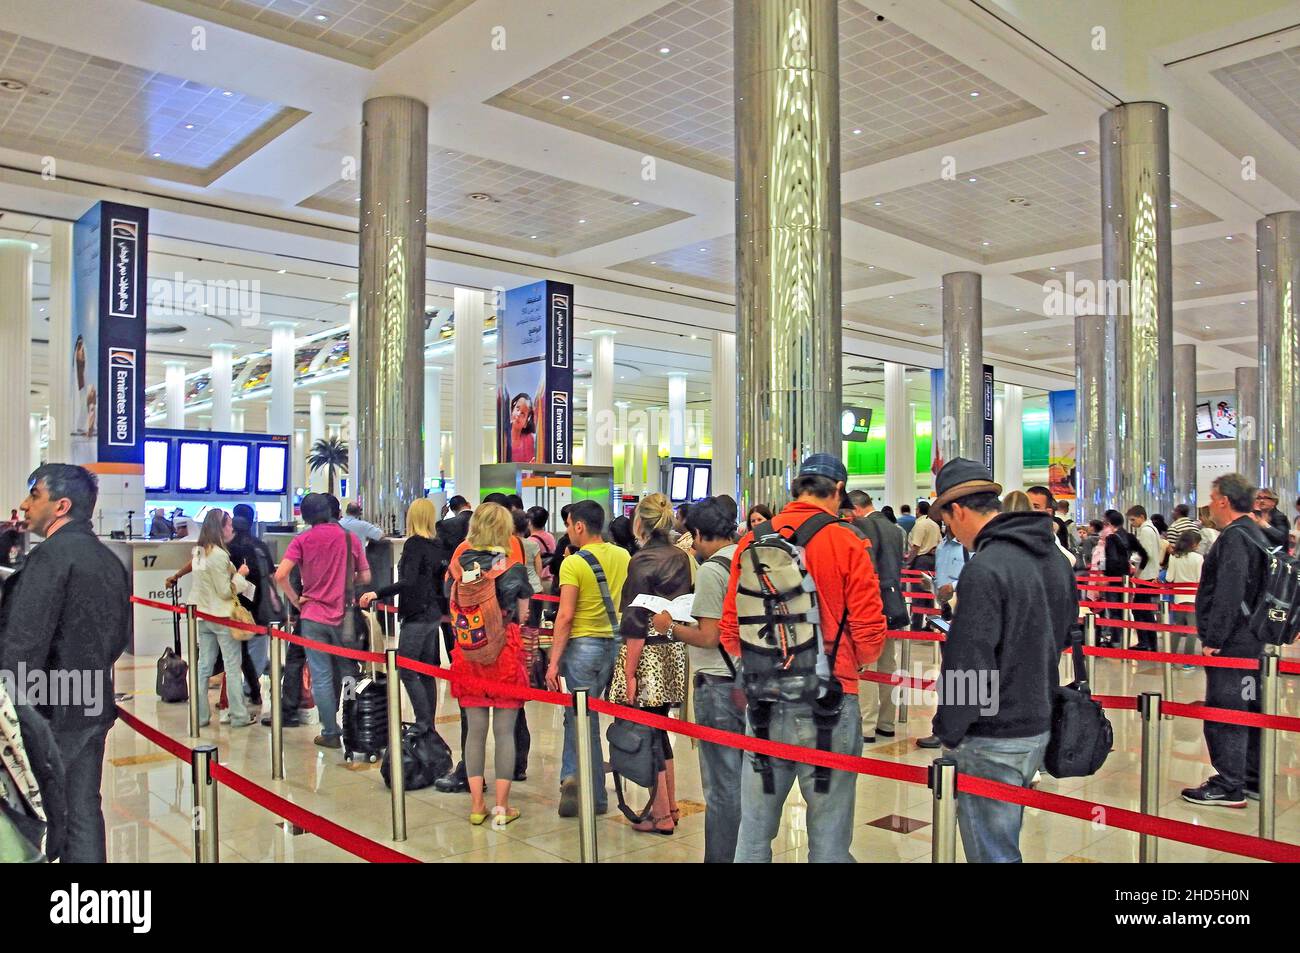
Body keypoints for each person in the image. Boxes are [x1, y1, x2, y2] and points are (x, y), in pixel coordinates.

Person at [720, 454, 886, 863]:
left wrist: (766, 658)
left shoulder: (753, 540)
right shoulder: (847, 540)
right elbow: (869, 632)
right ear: (839, 491)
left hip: (764, 699)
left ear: (795, 488)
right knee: (829, 838)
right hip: (830, 700)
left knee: (754, 833)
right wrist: (854, 662)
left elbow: (729, 630)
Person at [930, 458, 1076, 862]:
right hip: (1040, 717)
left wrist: (951, 727)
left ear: (957, 510)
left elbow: (969, 662)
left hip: (992, 733)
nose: (951, 533)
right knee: (1004, 842)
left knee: (992, 852)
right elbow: (1064, 632)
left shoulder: (986, 568)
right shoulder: (1053, 559)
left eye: (947, 521)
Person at [0, 464, 130, 863]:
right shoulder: (109, 561)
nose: (25, 504)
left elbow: (23, 643)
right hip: (92, 701)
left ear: (61, 505)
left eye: (34, 495)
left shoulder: (50, 559)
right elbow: (116, 640)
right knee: (83, 810)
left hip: (49, 711)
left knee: (39, 813)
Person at [654, 497, 741, 861]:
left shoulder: (711, 569)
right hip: (748, 679)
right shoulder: (746, 556)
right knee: (747, 780)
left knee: (722, 787)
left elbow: (709, 636)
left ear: (701, 534)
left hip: (718, 683)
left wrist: (670, 626)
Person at [1182, 473, 1270, 807]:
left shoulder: (1235, 536)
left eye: (1212, 497)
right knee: (1247, 706)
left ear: (1223, 501)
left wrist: (1214, 637)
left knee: (1227, 709)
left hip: (1233, 642)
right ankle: (1250, 777)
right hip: (1252, 639)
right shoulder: (1255, 532)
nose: (1210, 505)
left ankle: (1229, 784)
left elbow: (1229, 591)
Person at [609, 493, 692, 834]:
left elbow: (634, 619)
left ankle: (659, 815)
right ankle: (669, 805)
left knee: (646, 730)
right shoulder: (681, 557)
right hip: (674, 648)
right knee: (659, 730)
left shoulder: (642, 560)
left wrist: (628, 672)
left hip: (648, 654)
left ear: (639, 521)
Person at [447, 503, 532, 827]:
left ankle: (477, 805)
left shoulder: (458, 563)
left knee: (475, 732)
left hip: (468, 654)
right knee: (505, 732)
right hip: (504, 652)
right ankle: (502, 807)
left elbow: (450, 602)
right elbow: (523, 614)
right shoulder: (511, 566)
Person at [545, 500, 631, 817]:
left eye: (568, 525)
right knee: (591, 718)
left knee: (583, 719)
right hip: (618, 644)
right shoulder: (623, 555)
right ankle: (578, 780)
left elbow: (565, 616)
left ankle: (587, 790)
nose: (568, 531)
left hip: (585, 646)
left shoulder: (574, 564)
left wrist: (553, 662)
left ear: (579, 526)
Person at [274, 493, 370, 750]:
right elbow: (366, 576)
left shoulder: (302, 539)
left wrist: (297, 600)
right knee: (349, 673)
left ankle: (330, 731)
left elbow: (281, 574)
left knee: (322, 676)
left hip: (313, 617)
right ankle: (352, 725)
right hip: (345, 615)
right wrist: (344, 581)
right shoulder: (349, 538)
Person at [166, 509, 258, 729]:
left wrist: (178, 575)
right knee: (232, 666)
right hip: (222, 616)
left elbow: (199, 579)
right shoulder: (219, 555)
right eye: (228, 525)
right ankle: (238, 715)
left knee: (203, 667)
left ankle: (200, 715)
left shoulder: (200, 552)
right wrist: (241, 575)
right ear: (220, 528)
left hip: (203, 615)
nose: (231, 528)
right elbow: (225, 591)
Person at [358, 499, 444, 735]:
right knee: (426, 670)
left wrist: (378, 592)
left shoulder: (414, 544)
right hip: (433, 614)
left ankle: (423, 722)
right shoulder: (436, 545)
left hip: (416, 614)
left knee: (406, 668)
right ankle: (429, 724)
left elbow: (409, 581)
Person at [847, 490, 908, 744]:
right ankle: (886, 722)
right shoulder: (895, 529)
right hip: (894, 602)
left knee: (868, 666)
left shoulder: (863, 525)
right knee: (888, 666)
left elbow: (866, 567)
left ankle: (867, 726)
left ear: (856, 509)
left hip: (870, 602)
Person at [1164, 529, 1203, 667]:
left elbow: (1169, 577)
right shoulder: (1198, 558)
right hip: (1193, 598)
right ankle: (1188, 662)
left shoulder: (1174, 557)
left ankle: (1171, 659)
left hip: (1178, 598)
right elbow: (1199, 578)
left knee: (1177, 629)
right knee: (1192, 630)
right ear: (1194, 544)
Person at [1126, 505, 1163, 649]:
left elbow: (1144, 554)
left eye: (1133, 520)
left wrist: (1135, 567)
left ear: (1141, 517)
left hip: (1146, 575)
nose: (1132, 523)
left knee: (1140, 609)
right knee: (1145, 610)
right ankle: (1150, 642)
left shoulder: (1146, 531)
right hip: (1149, 573)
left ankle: (1145, 642)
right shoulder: (1151, 529)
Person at [1027, 485, 1071, 550]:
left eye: (1036, 507)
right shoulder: (1015, 527)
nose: (1028, 509)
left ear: (1048, 512)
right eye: (1026, 504)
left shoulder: (1056, 527)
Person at [515, 510, 545, 593]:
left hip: (516, 589)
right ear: (527, 525)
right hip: (534, 587)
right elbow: (538, 568)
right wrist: (540, 584)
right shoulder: (533, 544)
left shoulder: (507, 545)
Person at [527, 506, 556, 582]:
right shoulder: (550, 536)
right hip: (551, 578)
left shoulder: (530, 541)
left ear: (529, 521)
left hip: (539, 580)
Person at [507, 393, 536, 463]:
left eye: (523, 413)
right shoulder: (503, 436)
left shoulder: (529, 439)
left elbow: (529, 468)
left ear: (525, 423)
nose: (518, 414)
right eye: (517, 408)